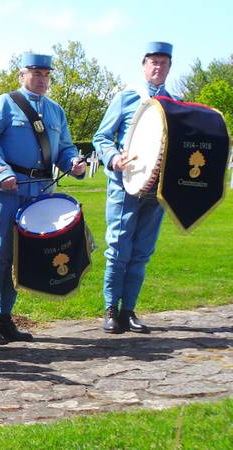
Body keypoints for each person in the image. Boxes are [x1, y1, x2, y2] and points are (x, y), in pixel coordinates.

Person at [0, 53, 86, 345]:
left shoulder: (55, 111)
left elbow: (65, 148)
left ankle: (6, 317)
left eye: (46, 75)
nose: (42, 79)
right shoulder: (5, 103)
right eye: (36, 73)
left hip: (40, 193)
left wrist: (73, 162)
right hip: (8, 191)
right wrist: (0, 172)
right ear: (21, 75)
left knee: (22, 257)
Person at [93, 42, 177, 334]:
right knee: (118, 249)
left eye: (164, 63)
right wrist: (114, 157)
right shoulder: (127, 98)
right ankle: (110, 310)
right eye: (153, 62)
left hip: (157, 191)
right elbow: (101, 137)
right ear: (144, 65)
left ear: (169, 67)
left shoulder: (176, 104)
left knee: (142, 252)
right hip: (124, 184)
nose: (158, 67)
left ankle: (128, 311)